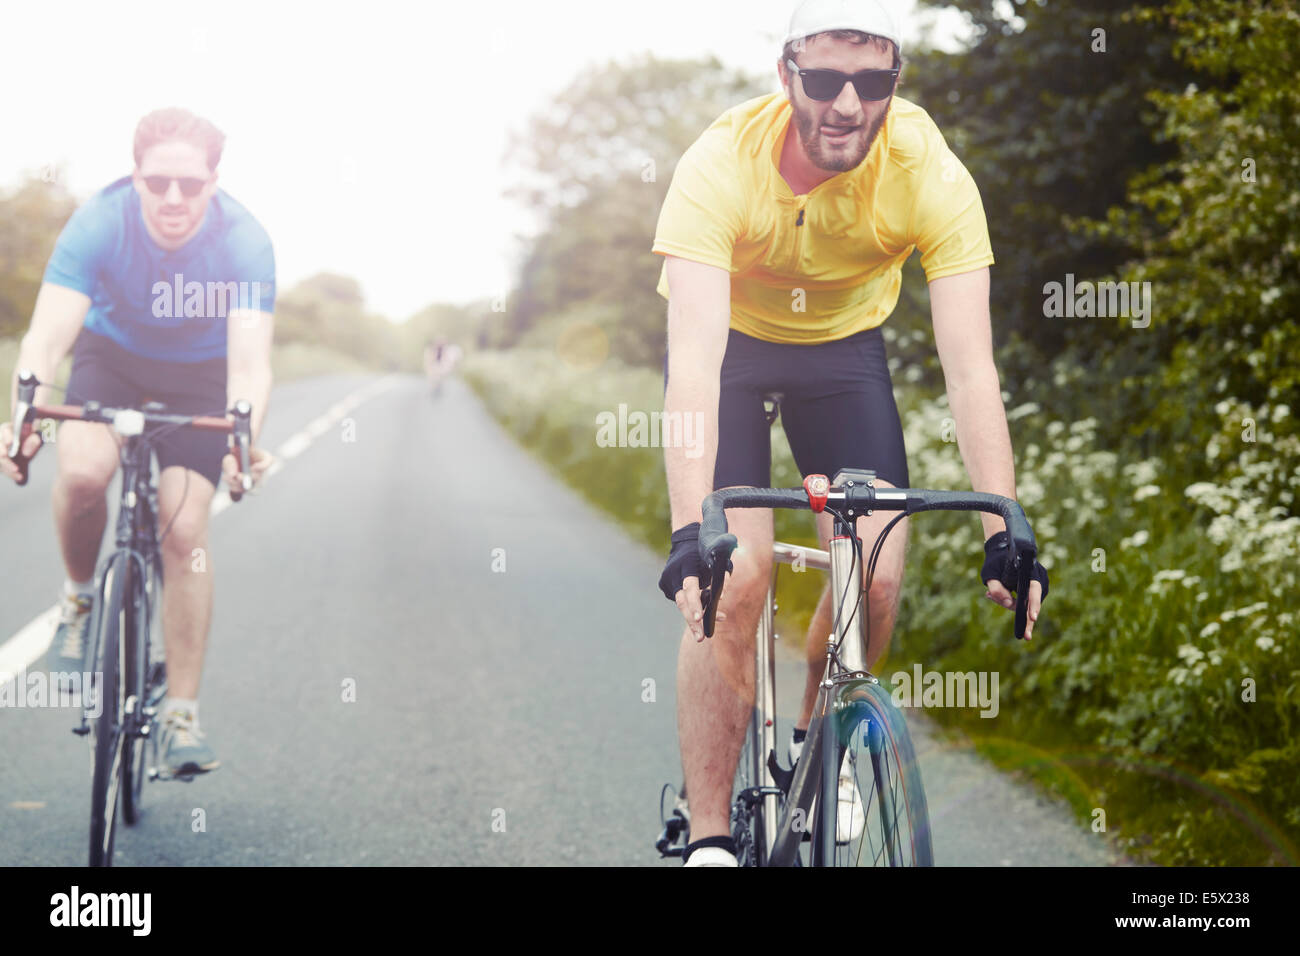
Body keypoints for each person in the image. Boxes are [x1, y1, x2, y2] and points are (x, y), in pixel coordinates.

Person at [652, 0, 1049, 866]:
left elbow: (972, 368)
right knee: (739, 574)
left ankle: (818, 743)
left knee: (876, 574)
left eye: (872, 82)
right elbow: (691, 365)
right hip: (731, 356)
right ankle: (712, 835)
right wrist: (693, 531)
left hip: (842, 357)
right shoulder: (721, 164)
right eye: (826, 78)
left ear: (893, 84)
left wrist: (1003, 526)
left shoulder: (927, 169)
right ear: (787, 71)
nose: (846, 104)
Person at [1, 107, 275, 777]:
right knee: (87, 472)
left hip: (201, 377)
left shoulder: (246, 241)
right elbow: (44, 339)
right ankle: (78, 601)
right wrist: (23, 417)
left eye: (190, 184)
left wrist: (244, 440)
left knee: (184, 531)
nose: (173, 199)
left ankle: (181, 715)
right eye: (158, 183)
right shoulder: (99, 222)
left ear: (214, 182)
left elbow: (249, 365)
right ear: (136, 178)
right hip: (113, 358)